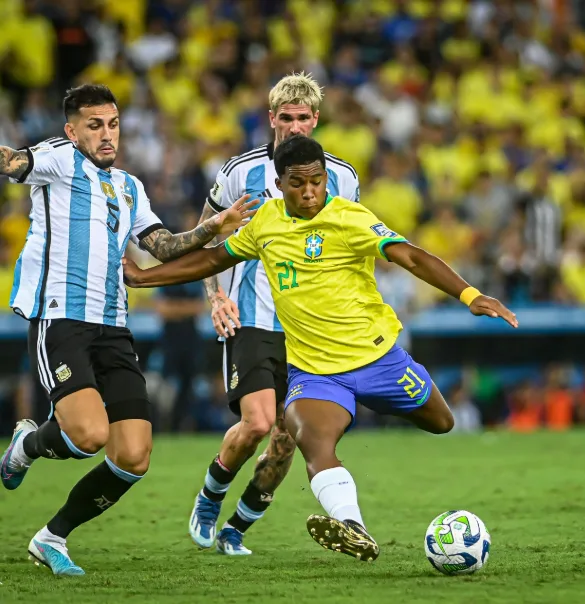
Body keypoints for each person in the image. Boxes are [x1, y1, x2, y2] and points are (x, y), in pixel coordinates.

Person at [123, 135, 518, 562]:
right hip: (314, 373)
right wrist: (145, 277)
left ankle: (366, 420)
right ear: (280, 183)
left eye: (317, 181)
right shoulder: (265, 223)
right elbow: (212, 260)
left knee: (442, 422)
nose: (309, 191)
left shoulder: (350, 218)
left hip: (379, 359)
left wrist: (469, 295)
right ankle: (354, 527)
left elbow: (411, 257)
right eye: (298, 183)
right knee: (311, 441)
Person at [0, 84, 256, 576]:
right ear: (72, 131)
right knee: (88, 435)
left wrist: (214, 226)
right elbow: (12, 161)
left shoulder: (130, 186)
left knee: (134, 456)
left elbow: (160, 246)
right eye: (94, 125)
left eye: (113, 123)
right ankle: (26, 446)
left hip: (113, 326)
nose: (107, 134)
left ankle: (51, 536)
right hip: (62, 319)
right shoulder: (56, 159)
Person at [190, 72, 360, 555]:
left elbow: (351, 242)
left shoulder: (343, 177)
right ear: (271, 120)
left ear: (316, 120)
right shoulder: (242, 171)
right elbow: (206, 231)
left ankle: (237, 527)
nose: (294, 127)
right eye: (285, 118)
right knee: (260, 422)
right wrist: (214, 295)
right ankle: (211, 494)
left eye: (303, 118)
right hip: (253, 317)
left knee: (289, 438)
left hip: (311, 329)